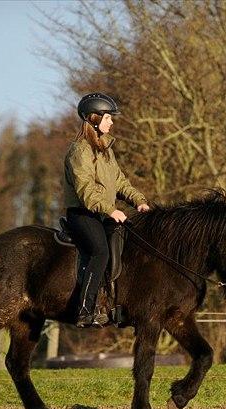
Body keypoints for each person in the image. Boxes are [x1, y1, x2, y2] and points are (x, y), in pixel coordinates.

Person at [63, 93, 150, 327]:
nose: (112, 122)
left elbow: (120, 182)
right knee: (100, 251)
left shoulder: (106, 149)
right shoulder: (79, 151)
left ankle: (113, 304)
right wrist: (111, 210)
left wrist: (139, 201)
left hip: (101, 213)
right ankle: (85, 309)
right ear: (94, 119)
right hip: (83, 214)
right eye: (108, 117)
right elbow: (86, 190)